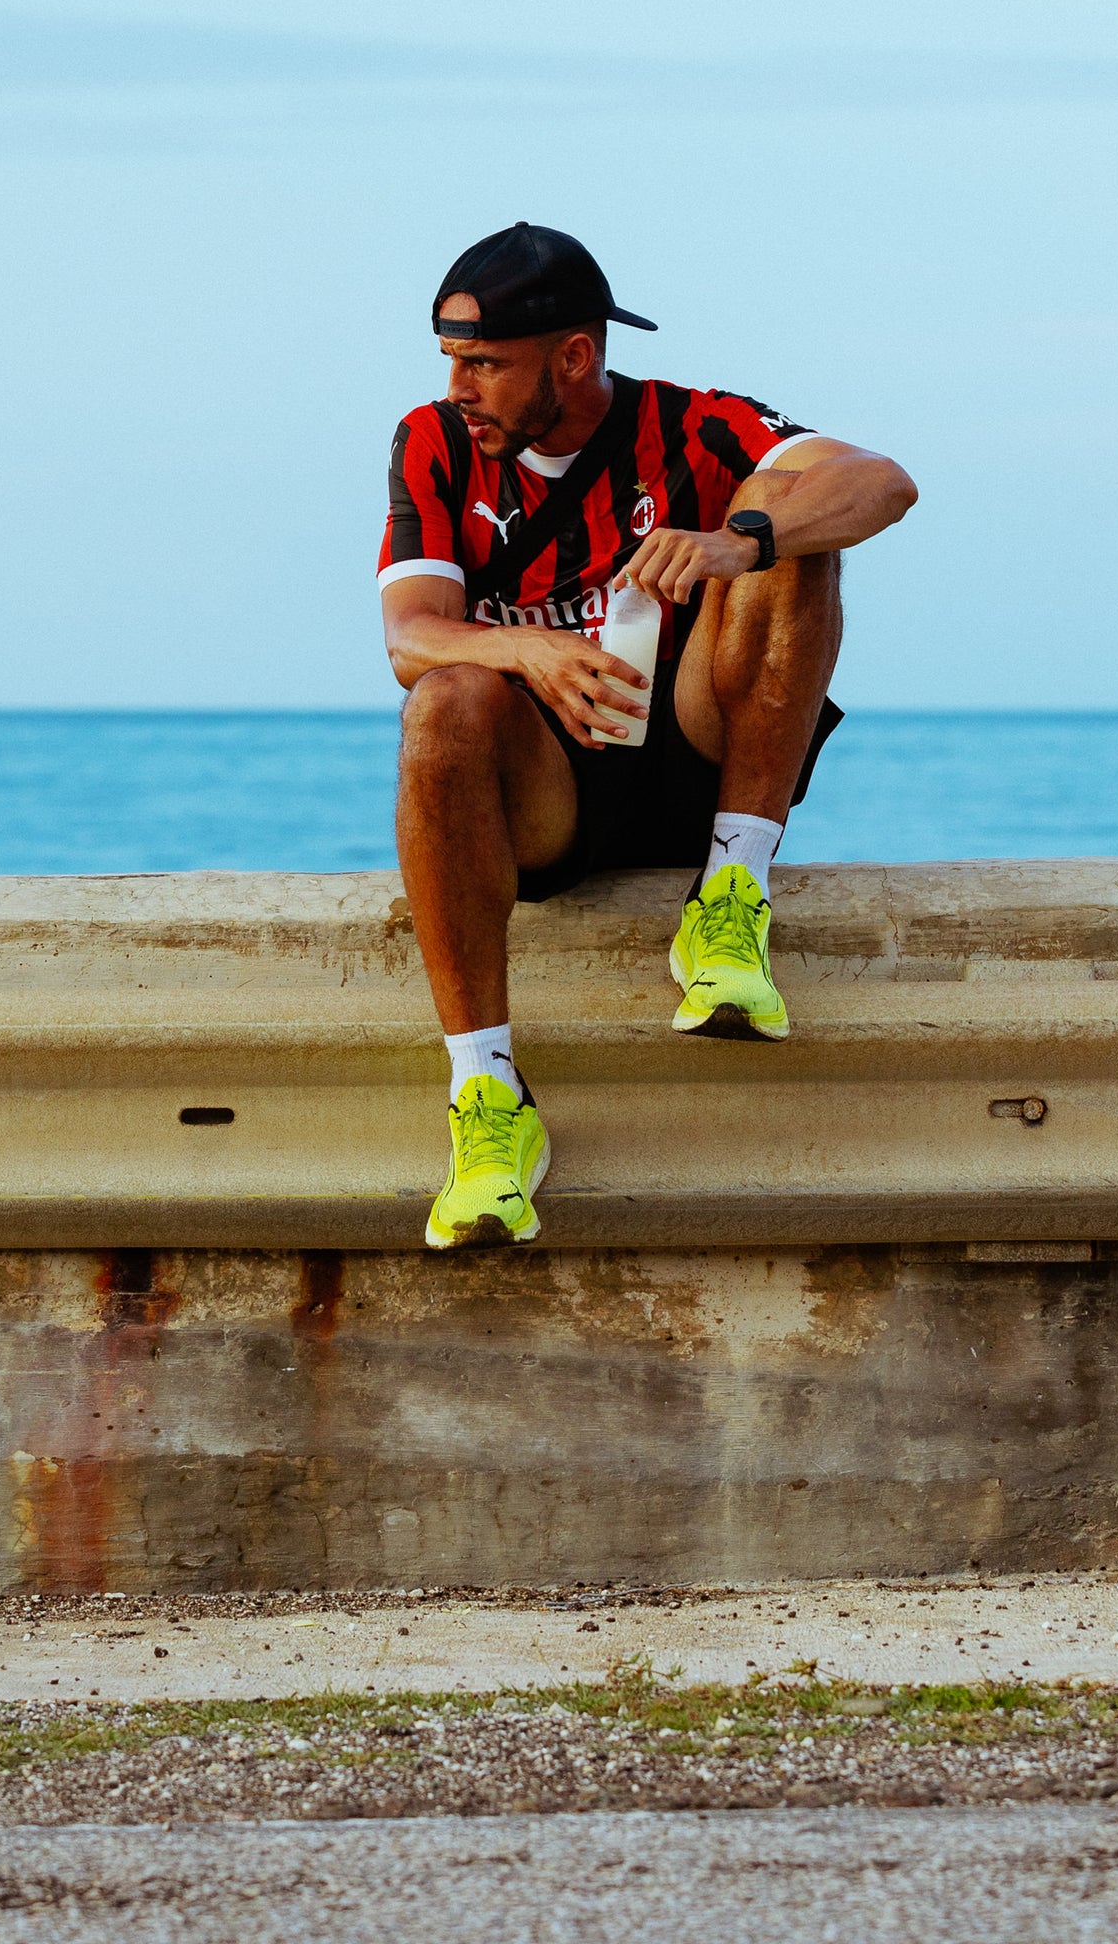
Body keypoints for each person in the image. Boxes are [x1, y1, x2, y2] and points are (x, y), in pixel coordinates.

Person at [379, 221, 918, 1249]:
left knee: (794, 520)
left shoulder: (697, 426)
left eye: (483, 363)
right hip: (550, 796)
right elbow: (409, 636)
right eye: (451, 359)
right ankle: (488, 1102)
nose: (458, 384)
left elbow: (885, 484)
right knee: (441, 702)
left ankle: (729, 897)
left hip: (695, 748)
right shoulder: (433, 439)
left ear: (572, 355)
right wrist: (529, 655)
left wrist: (735, 539)